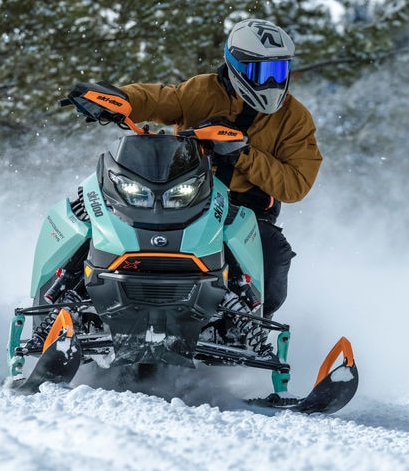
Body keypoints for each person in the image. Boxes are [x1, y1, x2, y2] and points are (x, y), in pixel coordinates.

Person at [72, 18, 321, 319]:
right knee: (94, 216)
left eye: (278, 72)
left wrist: (242, 155)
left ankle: (250, 323)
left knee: (272, 255)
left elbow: (296, 184)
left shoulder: (295, 118)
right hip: (180, 196)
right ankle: (67, 295)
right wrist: (118, 100)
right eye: (261, 72)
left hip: (245, 208)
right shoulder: (203, 91)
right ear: (236, 66)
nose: (271, 83)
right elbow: (161, 98)